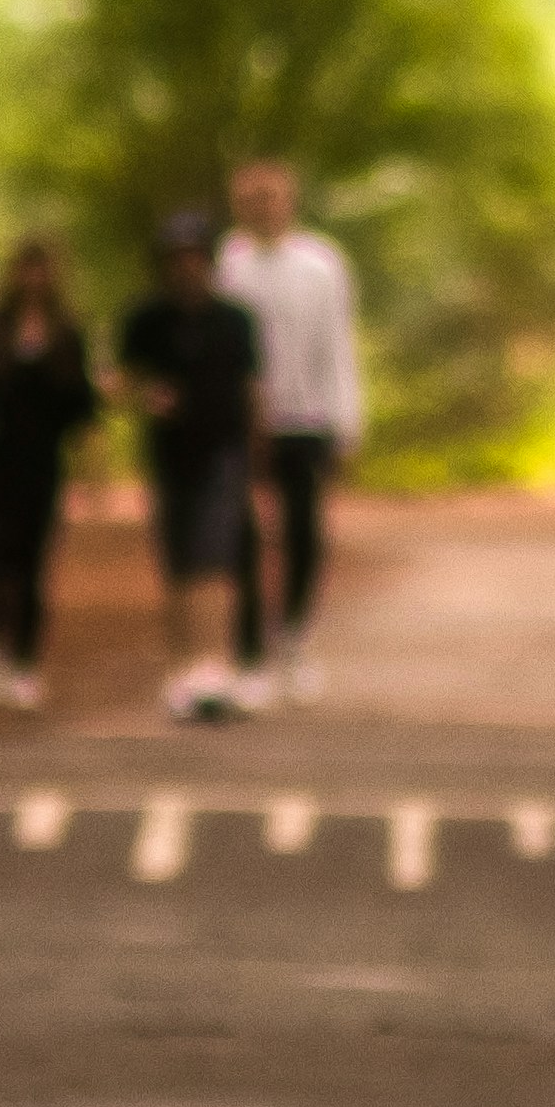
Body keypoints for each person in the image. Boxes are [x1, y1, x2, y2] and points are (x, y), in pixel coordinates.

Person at [110, 212, 270, 723]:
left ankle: (215, 666)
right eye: (176, 258)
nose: (186, 267)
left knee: (216, 557)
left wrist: (258, 456)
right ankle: (182, 668)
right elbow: (118, 382)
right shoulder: (146, 320)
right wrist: (145, 396)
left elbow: (254, 390)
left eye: (195, 257)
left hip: (222, 452)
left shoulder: (234, 320)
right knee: (178, 562)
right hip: (168, 455)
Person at [222, 157, 363, 704]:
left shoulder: (322, 265)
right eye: (251, 198)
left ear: (290, 200)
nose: (262, 207)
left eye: (271, 196)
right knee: (242, 536)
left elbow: (339, 347)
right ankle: (249, 650)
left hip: (305, 422)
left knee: (304, 535)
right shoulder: (225, 265)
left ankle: (295, 637)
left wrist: (346, 422)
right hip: (240, 425)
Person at [0, 236, 99, 710]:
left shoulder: (67, 332)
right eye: (25, 269)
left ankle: (26, 661)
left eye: (41, 269)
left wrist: (91, 467)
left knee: (33, 563)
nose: (33, 279)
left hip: (42, 462)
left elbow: (81, 404)